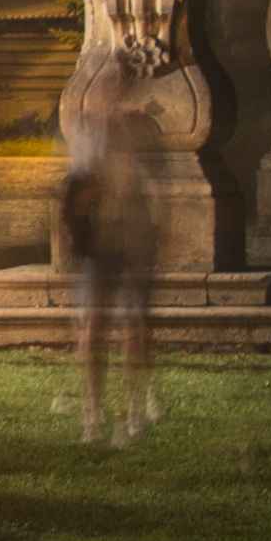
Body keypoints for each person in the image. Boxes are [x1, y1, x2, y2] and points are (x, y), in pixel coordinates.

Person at [59, 56, 160, 445]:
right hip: (99, 243)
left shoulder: (140, 132)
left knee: (134, 328)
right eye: (104, 87)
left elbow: (152, 186)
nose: (109, 95)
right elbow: (76, 187)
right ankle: (93, 413)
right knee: (94, 329)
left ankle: (134, 409)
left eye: (117, 87)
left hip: (132, 239)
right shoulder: (86, 132)